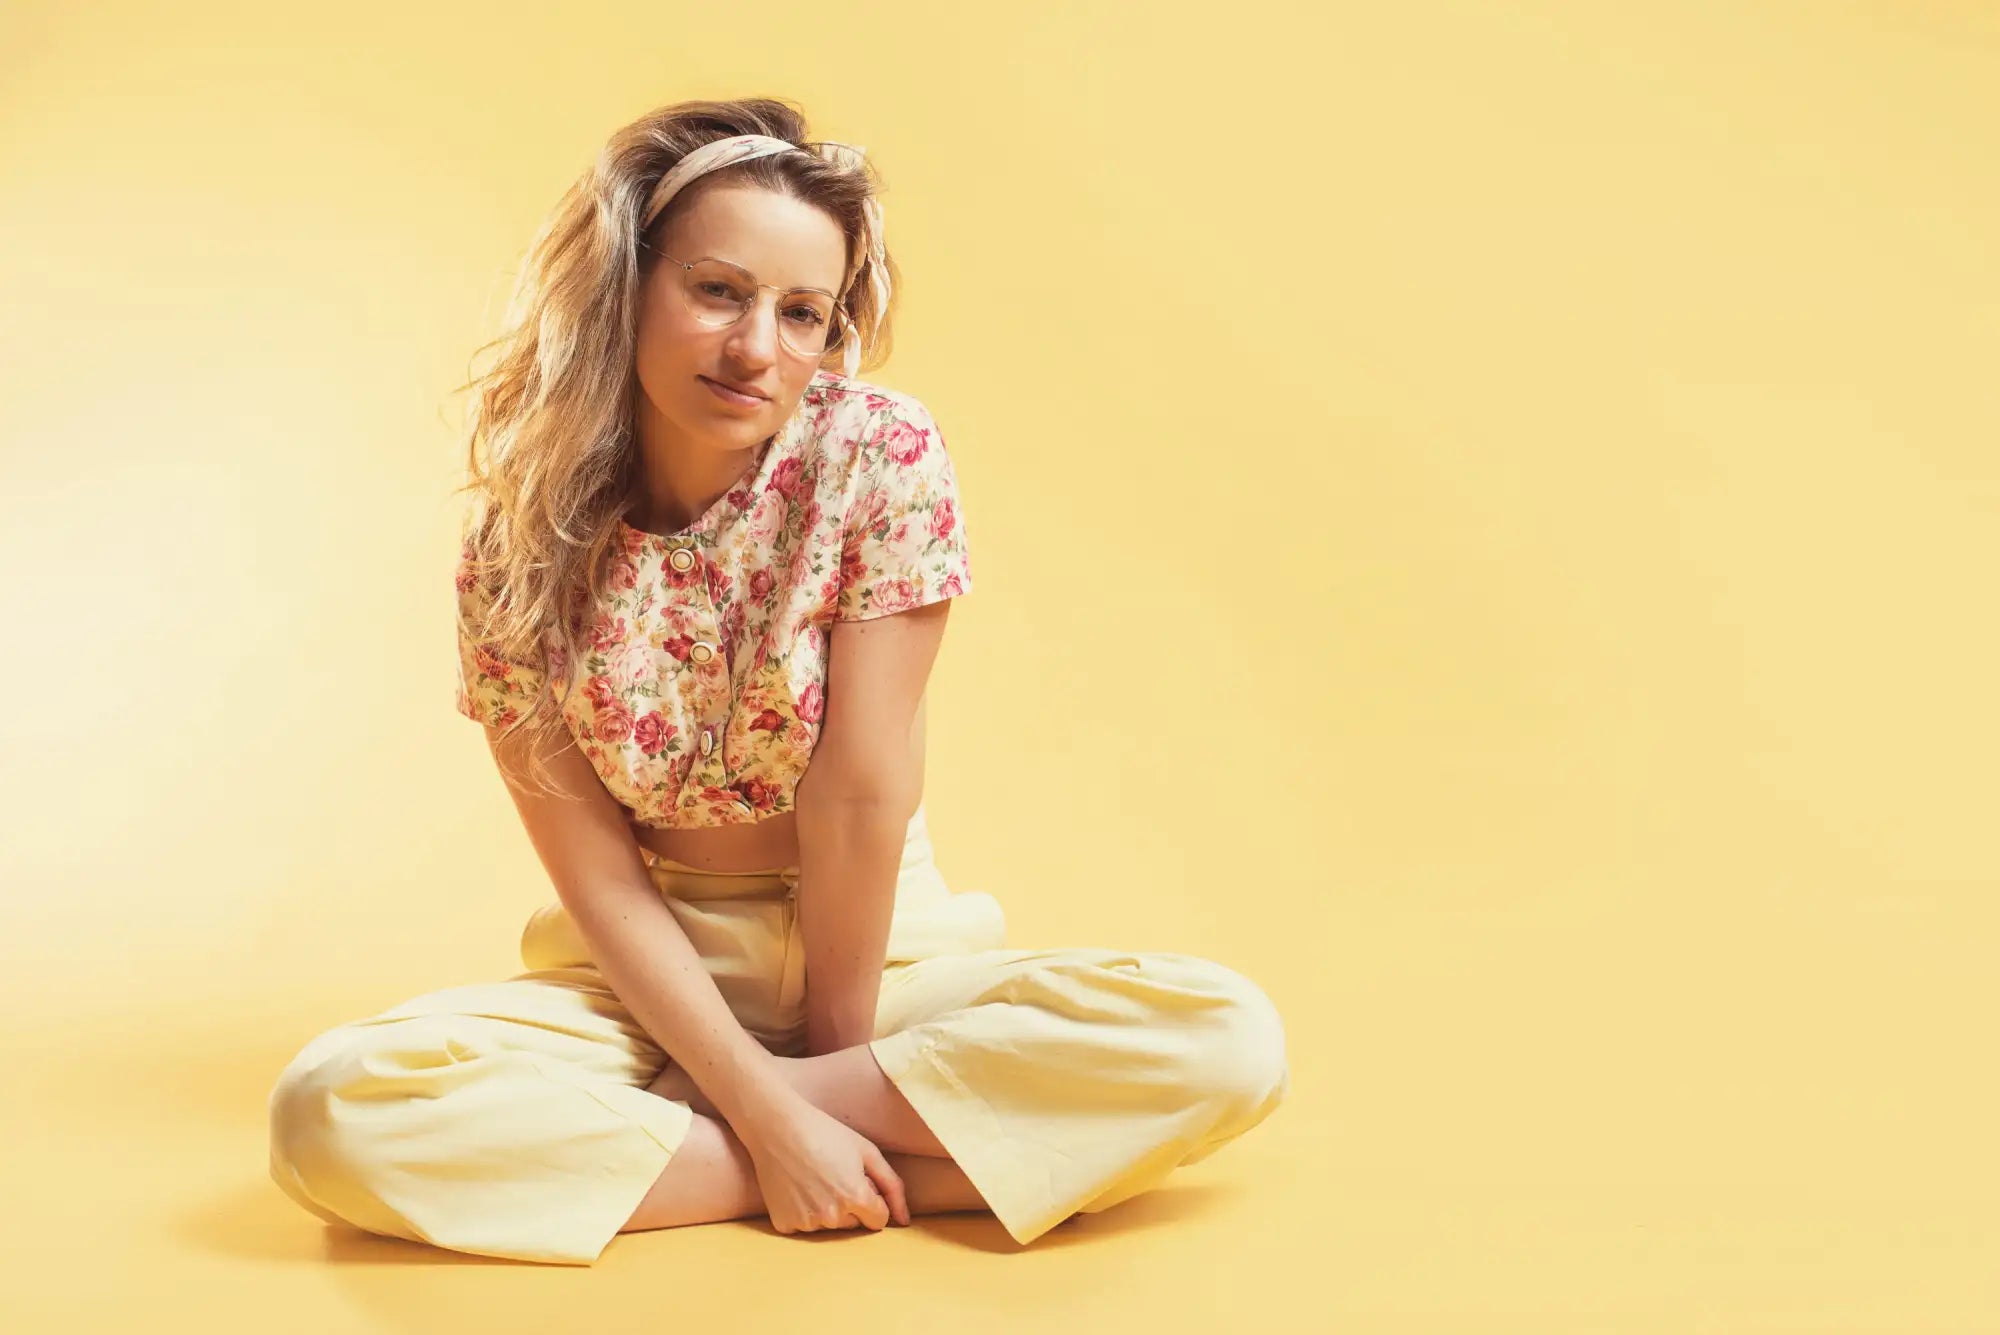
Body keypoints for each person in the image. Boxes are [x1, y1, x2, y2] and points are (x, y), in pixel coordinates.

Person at [265, 96, 1291, 1266]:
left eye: (800, 313)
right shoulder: (520, 538)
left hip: (882, 951)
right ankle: (911, 1165)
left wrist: (811, 1076)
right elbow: (593, 867)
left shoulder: (876, 455)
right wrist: (764, 1111)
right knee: (331, 1110)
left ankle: (696, 1154)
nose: (756, 348)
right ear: (628, 286)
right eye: (715, 290)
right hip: (650, 967)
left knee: (1223, 1040)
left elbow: (859, 793)